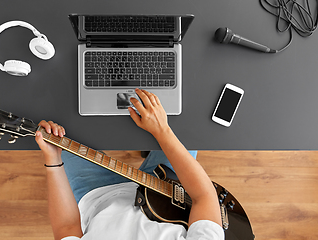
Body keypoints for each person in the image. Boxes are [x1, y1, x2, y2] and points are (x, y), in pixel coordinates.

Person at [35, 88, 224, 240]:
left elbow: (66, 227)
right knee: (183, 123)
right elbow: (204, 196)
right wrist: (162, 131)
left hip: (96, 195)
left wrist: (53, 161)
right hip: (167, 191)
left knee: (58, 122)